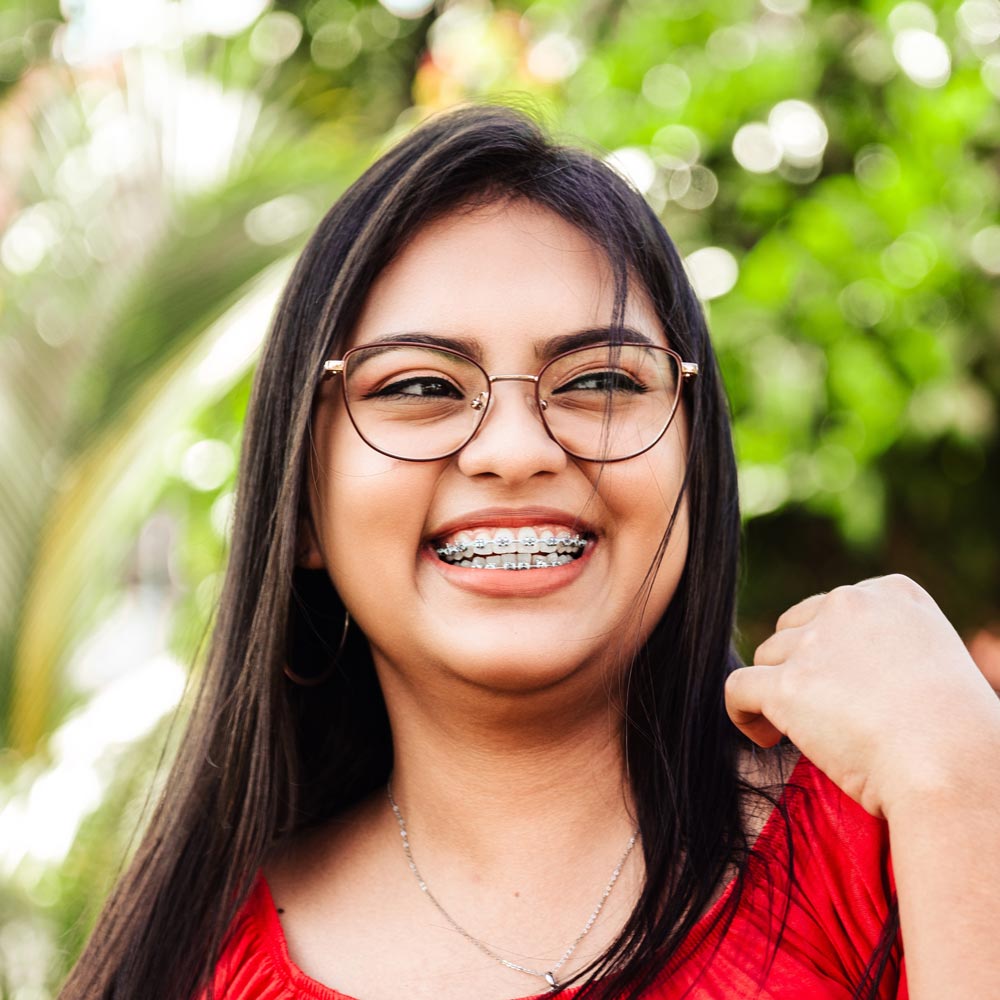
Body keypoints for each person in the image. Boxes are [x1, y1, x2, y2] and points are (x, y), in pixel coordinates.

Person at [59, 105, 1000, 1000]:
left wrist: (961, 780)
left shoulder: (901, 830)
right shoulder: (190, 964)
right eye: (421, 385)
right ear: (301, 505)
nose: (515, 451)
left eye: (597, 379)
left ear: (696, 470)